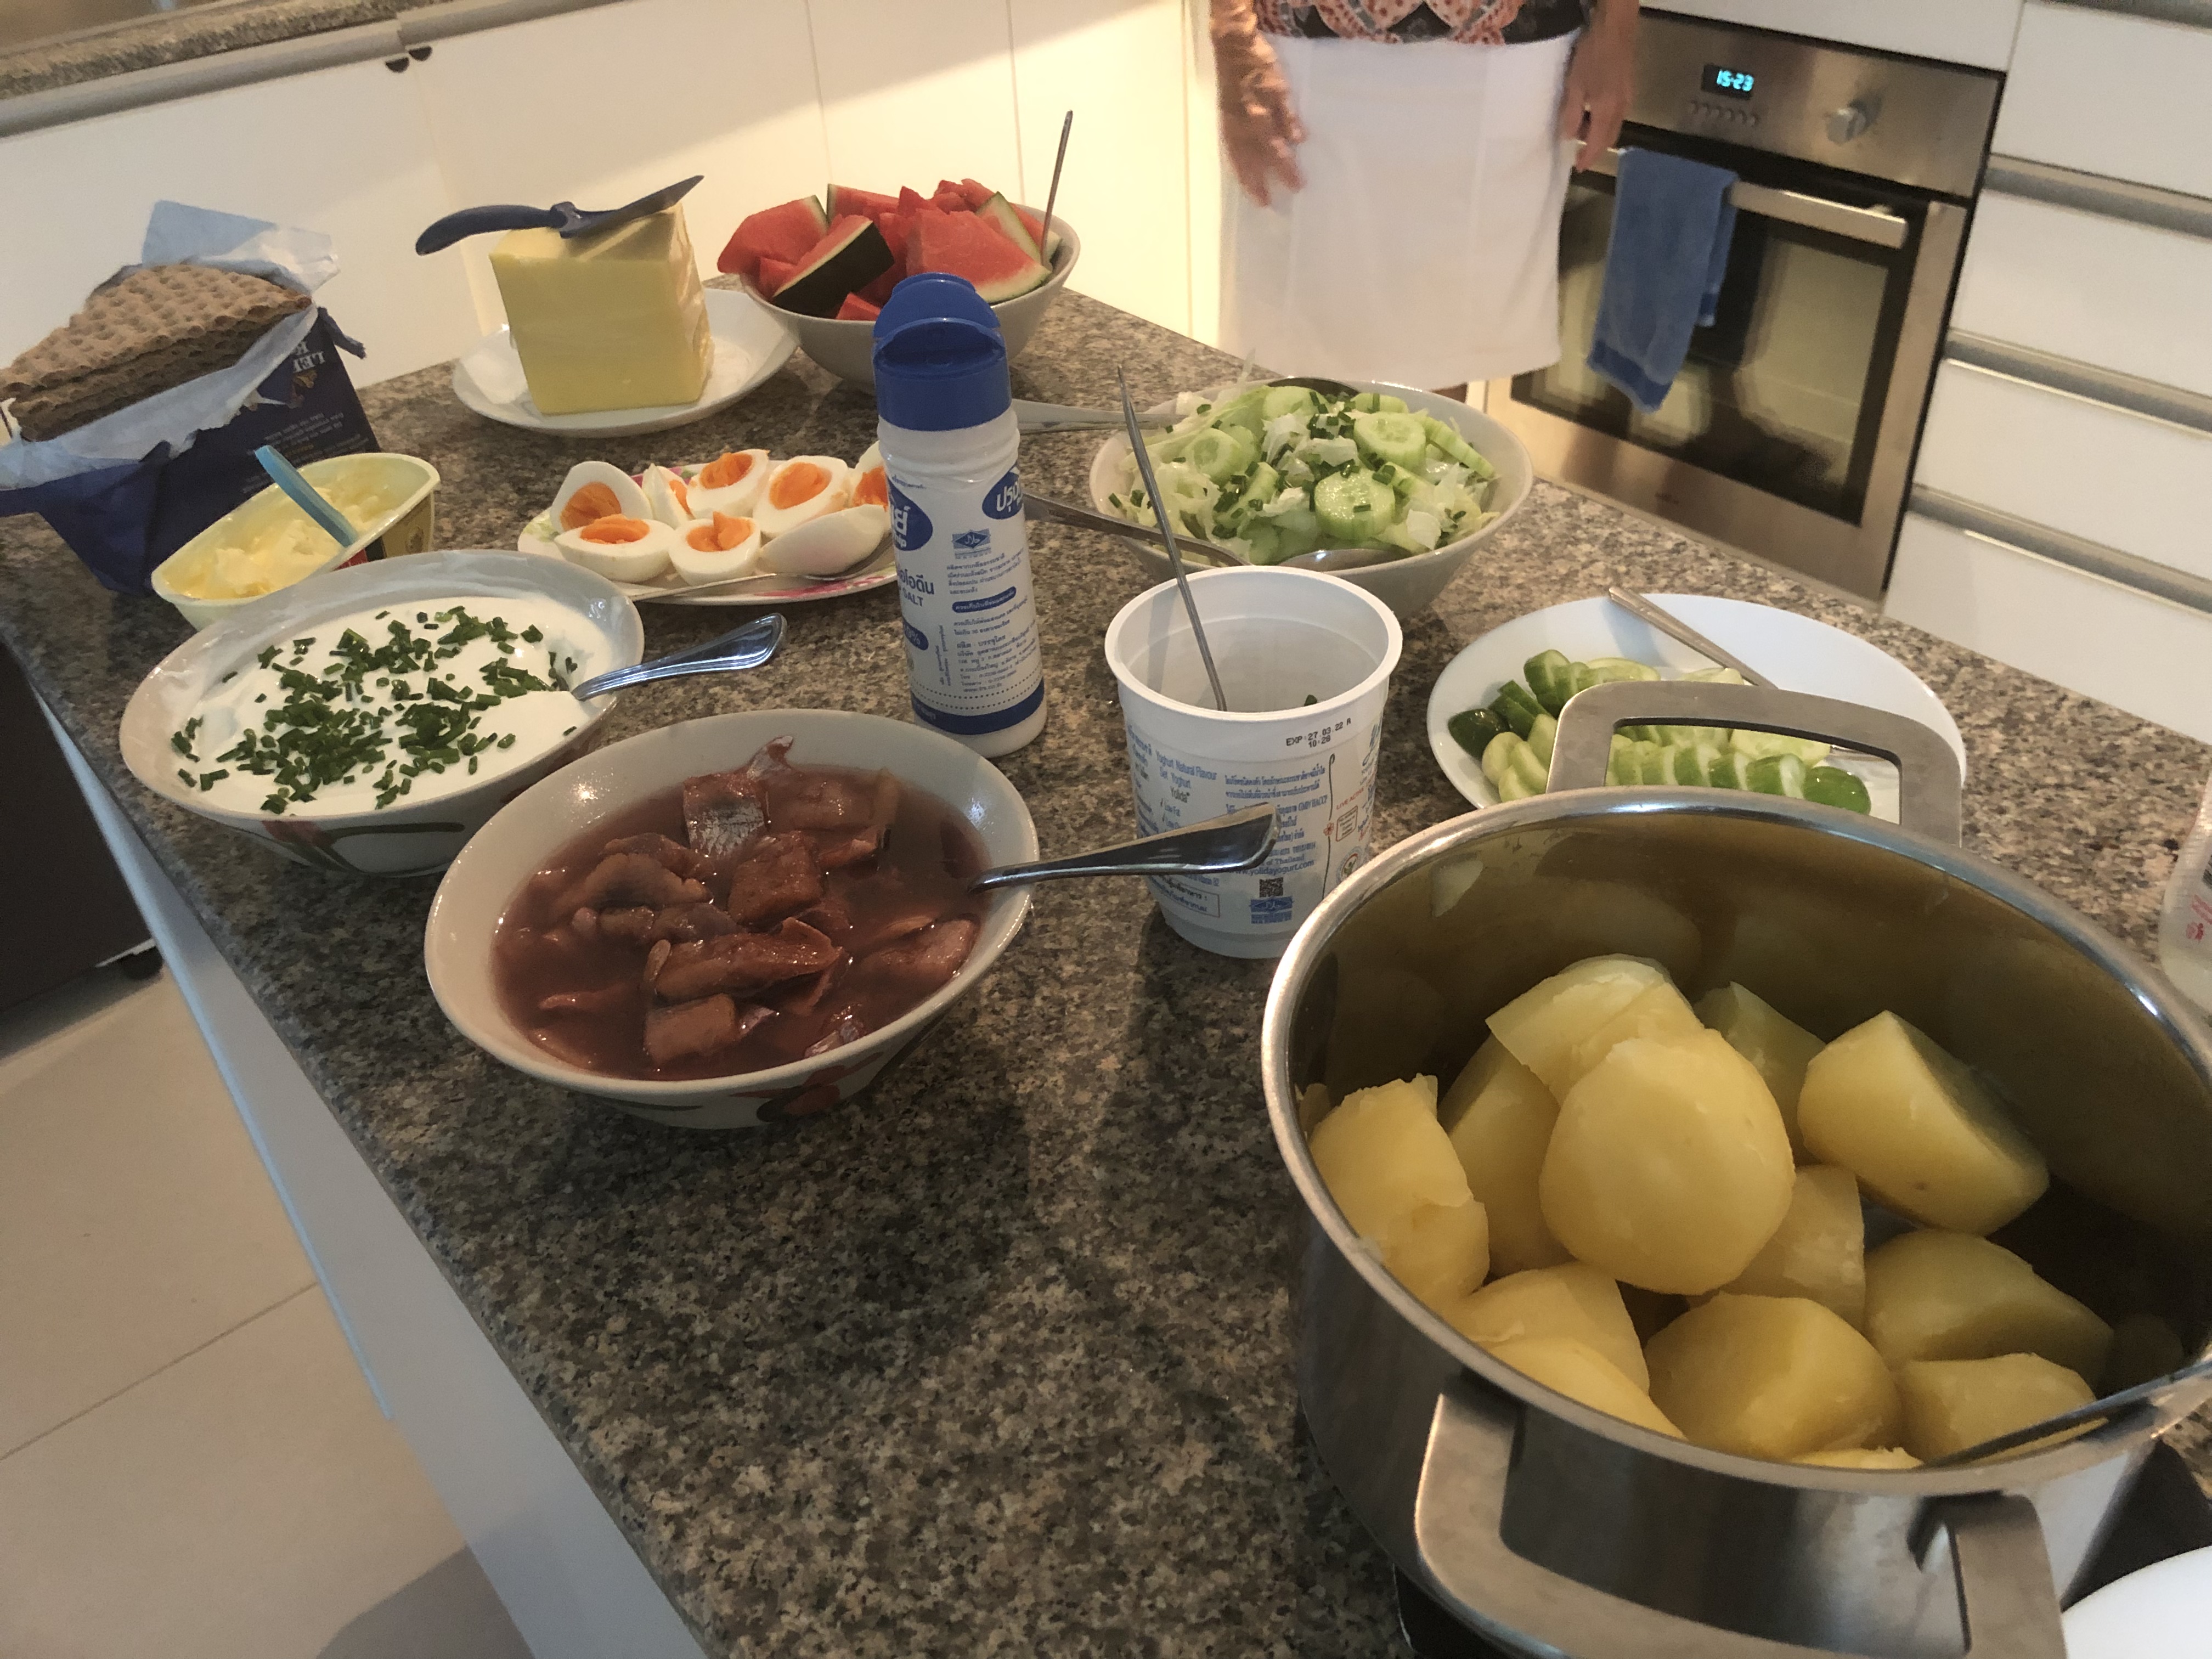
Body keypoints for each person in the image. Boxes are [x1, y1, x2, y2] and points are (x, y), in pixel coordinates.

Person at [1212, 0, 1638, 396]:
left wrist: (1616, 27)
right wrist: (1231, 33)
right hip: (1302, 46)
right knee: (1281, 357)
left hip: (1509, 48)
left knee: (1442, 352)